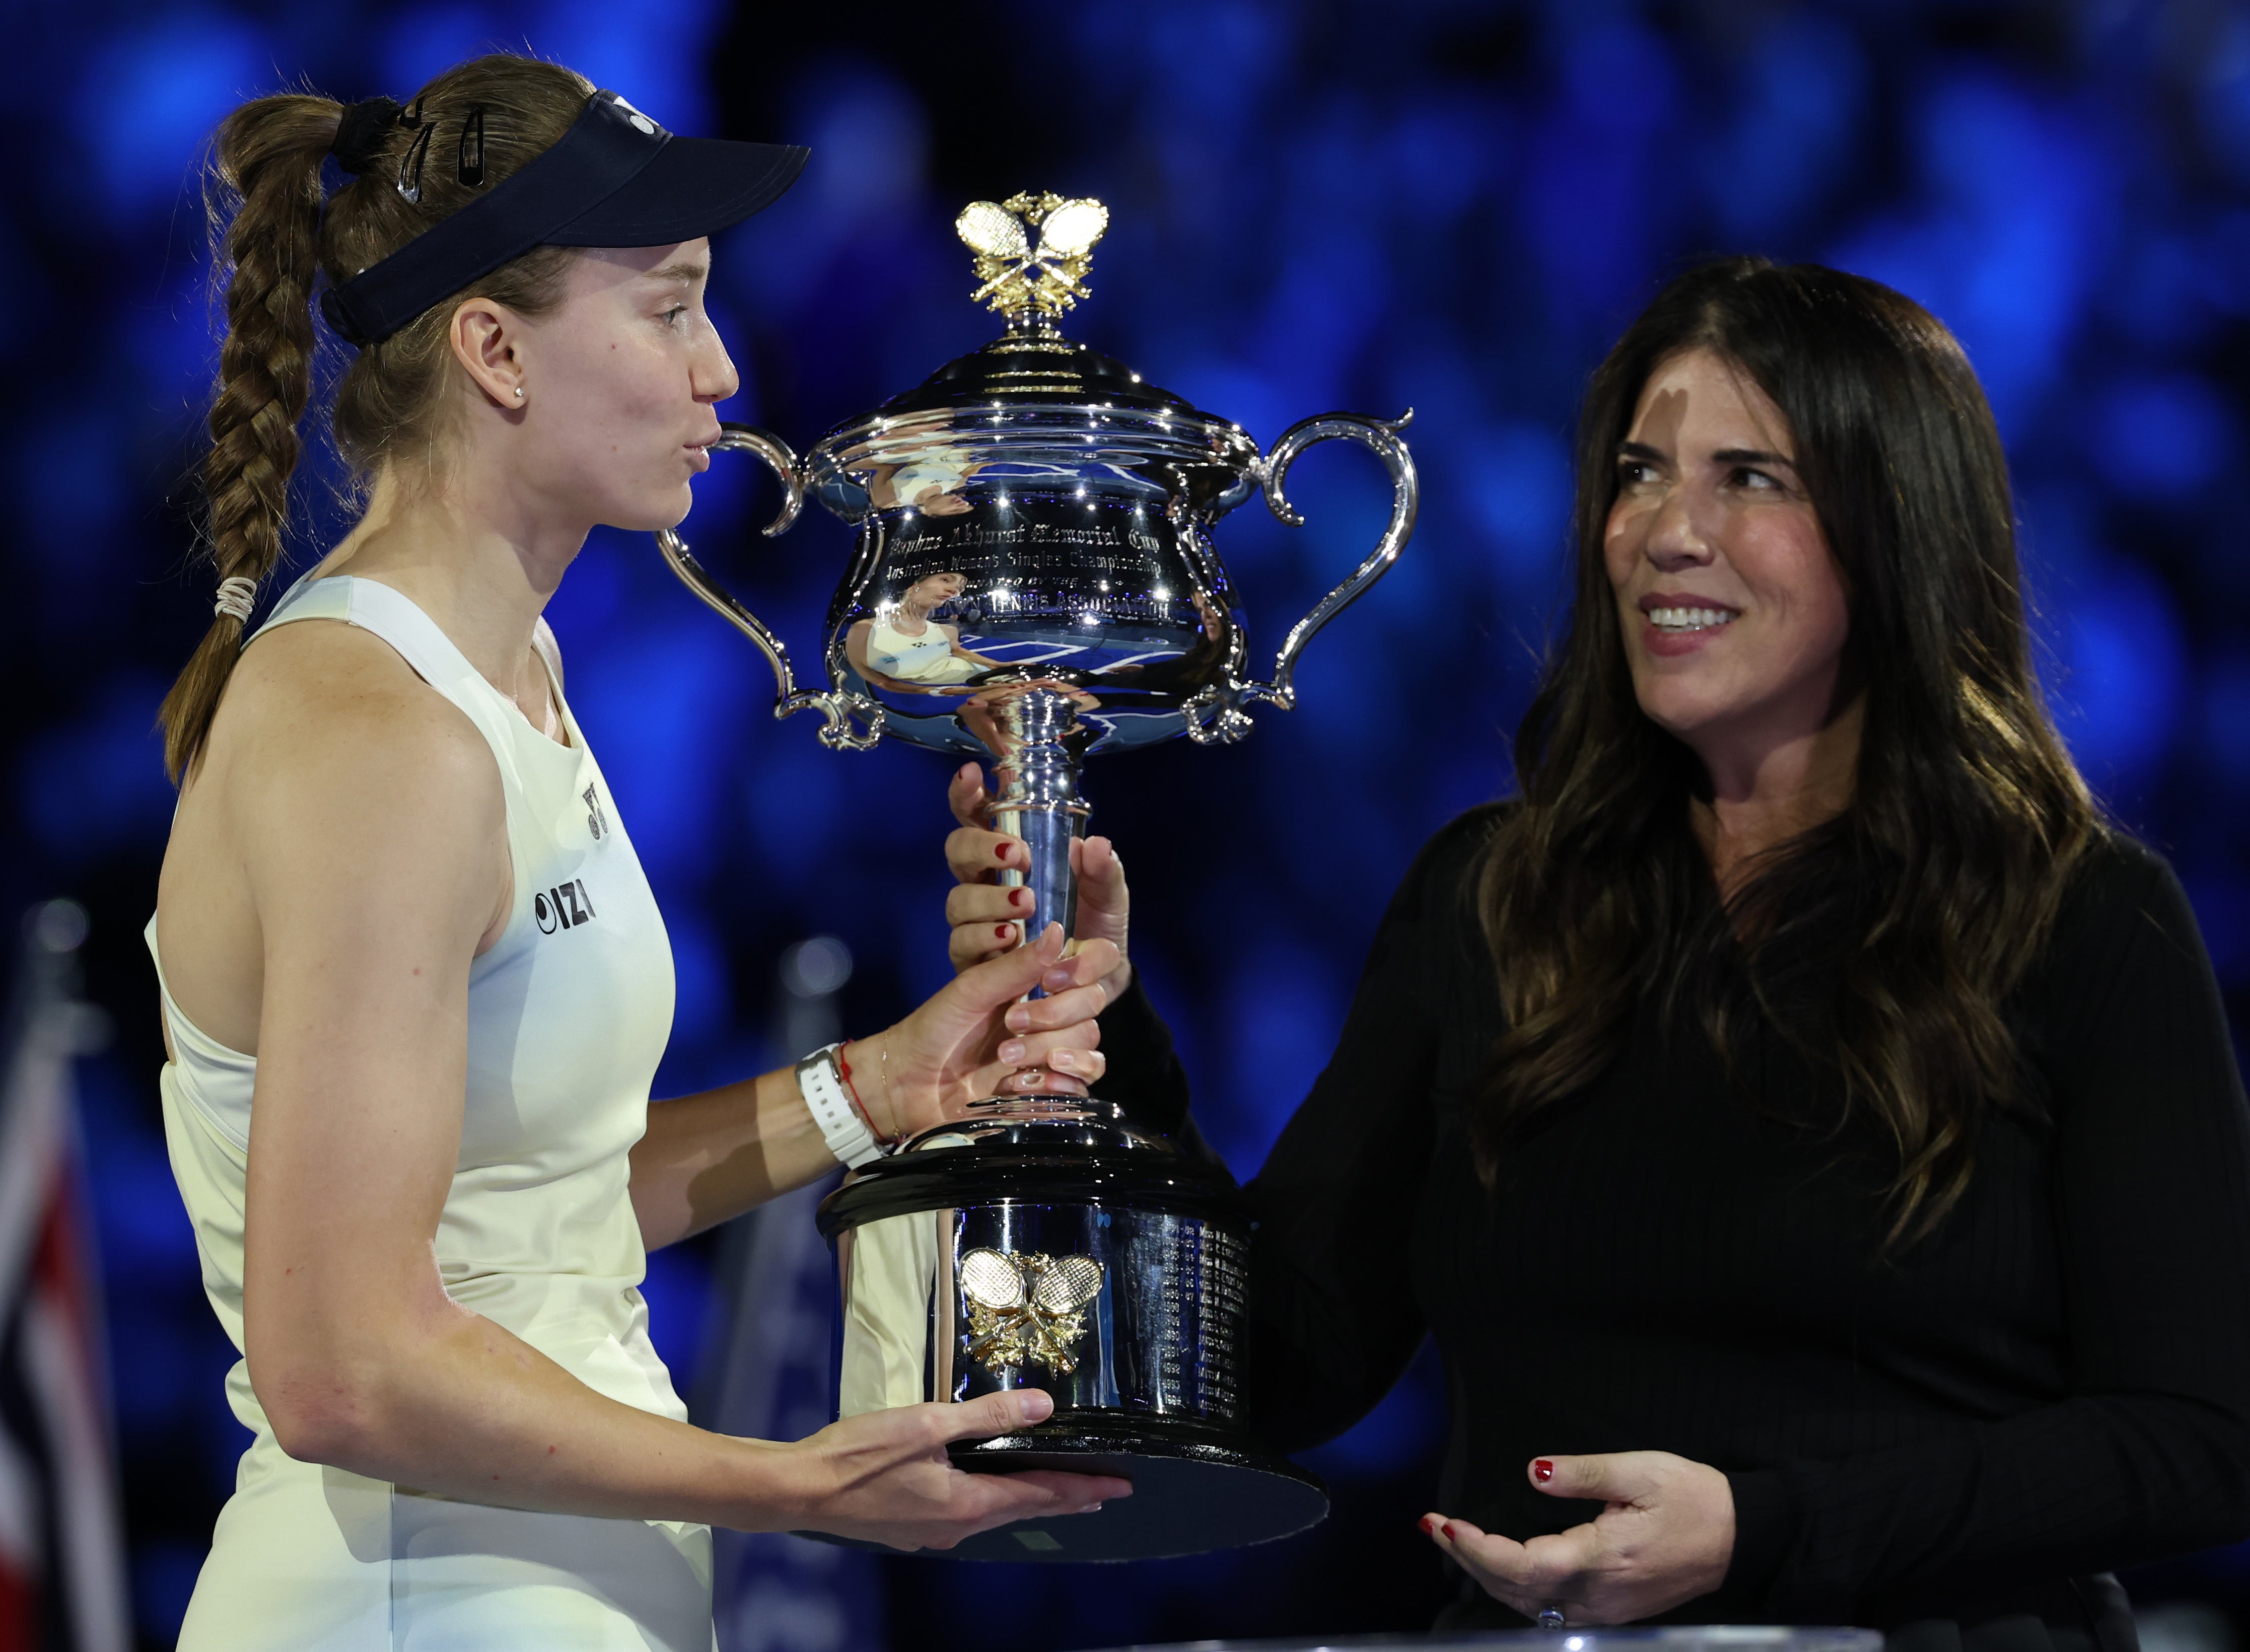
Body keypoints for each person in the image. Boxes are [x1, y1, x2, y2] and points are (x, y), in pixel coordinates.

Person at [939, 257, 2250, 1649]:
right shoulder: (1492, 900)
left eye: (1751, 477)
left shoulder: (2080, 920)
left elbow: (2200, 1439)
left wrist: (1765, 1532)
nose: (1664, 533)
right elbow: (1280, 1364)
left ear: (1897, 529)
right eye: (1638, 473)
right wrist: (1101, 1038)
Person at [148, 55, 1127, 1652]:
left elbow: (529, 1209)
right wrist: (789, 1484)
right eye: (667, 309)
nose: (721, 372)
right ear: (495, 351)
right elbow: (340, 1364)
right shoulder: (372, 728)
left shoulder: (505, 680)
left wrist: (872, 1091)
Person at [846, 569, 1005, 692]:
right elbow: (882, 683)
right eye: (945, 580)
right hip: (955, 695)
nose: (954, 591)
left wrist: (998, 666)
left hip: (981, 682)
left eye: (959, 588)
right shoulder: (865, 630)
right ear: (914, 587)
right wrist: (939, 692)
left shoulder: (948, 631)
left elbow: (958, 651)